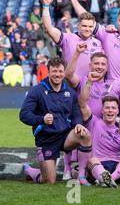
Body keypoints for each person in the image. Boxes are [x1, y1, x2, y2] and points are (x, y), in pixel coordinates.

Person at [19, 57, 92, 185]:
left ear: (64, 72)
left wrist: (78, 124)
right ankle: (30, 171)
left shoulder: (69, 92)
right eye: (54, 71)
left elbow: (76, 114)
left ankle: (81, 176)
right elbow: (24, 115)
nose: (57, 74)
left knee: (85, 135)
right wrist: (41, 119)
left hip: (65, 135)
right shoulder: (37, 91)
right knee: (48, 181)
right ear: (48, 72)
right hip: (46, 139)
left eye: (60, 71)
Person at [41, 0, 102, 78]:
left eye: (90, 26)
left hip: (93, 87)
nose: (87, 29)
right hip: (72, 87)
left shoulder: (98, 43)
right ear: (78, 25)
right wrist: (45, 6)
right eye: (84, 26)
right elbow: (49, 29)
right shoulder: (67, 38)